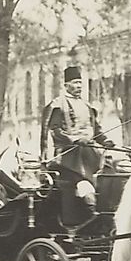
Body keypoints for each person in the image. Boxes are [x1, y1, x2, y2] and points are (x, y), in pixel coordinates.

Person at [42, 66, 115, 223]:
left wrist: (105, 141)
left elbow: (96, 130)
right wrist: (75, 140)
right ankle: (89, 213)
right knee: (82, 183)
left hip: (90, 155)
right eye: (75, 83)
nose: (79, 86)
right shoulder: (58, 104)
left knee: (112, 172)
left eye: (80, 83)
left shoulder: (87, 106)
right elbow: (55, 131)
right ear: (66, 85)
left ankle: (106, 212)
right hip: (68, 158)